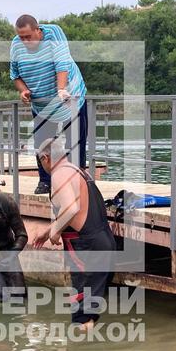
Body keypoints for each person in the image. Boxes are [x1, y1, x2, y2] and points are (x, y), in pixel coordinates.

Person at [32, 138, 116, 330]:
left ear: (45, 158)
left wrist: (55, 231)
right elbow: (78, 211)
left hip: (87, 250)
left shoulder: (59, 175)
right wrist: (48, 231)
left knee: (80, 317)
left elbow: (71, 208)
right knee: (89, 313)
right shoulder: (77, 171)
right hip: (104, 242)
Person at [10, 14, 88, 195]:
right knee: (43, 143)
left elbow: (62, 63)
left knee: (75, 139)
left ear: (38, 30)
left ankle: (78, 179)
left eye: (28, 36)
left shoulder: (54, 33)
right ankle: (45, 181)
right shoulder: (16, 45)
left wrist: (61, 89)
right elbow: (15, 75)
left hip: (70, 95)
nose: (24, 41)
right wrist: (23, 91)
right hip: (42, 103)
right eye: (21, 37)